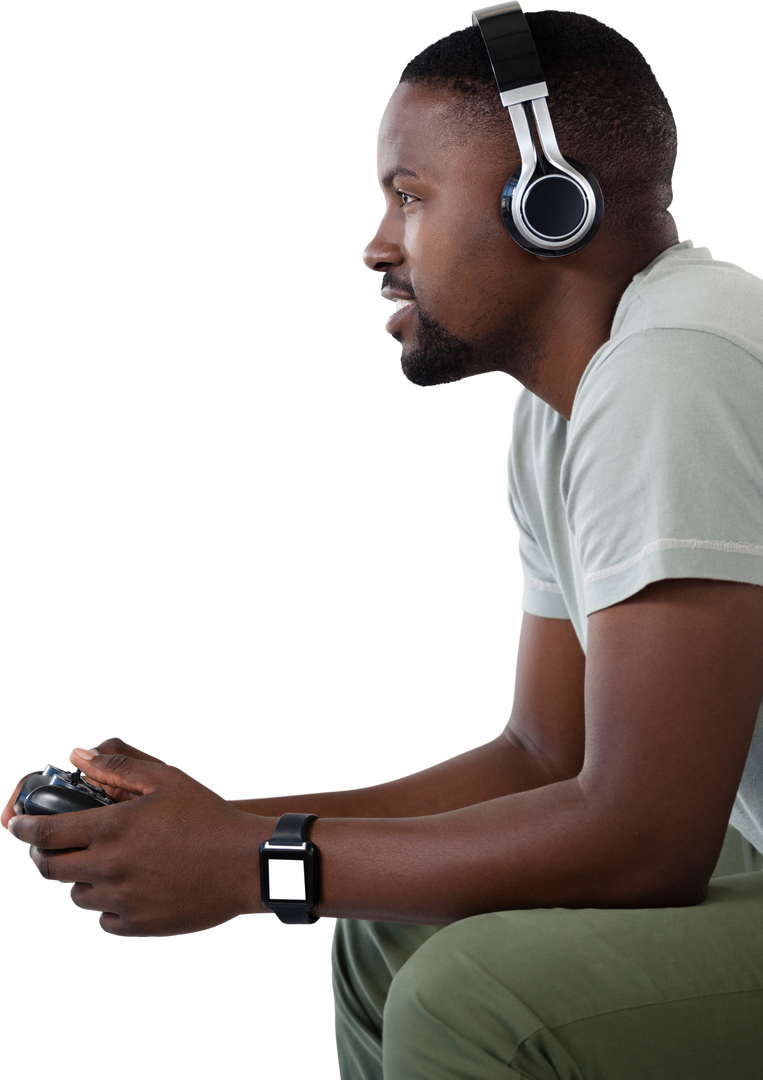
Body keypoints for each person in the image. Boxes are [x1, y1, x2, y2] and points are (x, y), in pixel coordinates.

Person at [3, 8, 763, 1077]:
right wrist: (218, 829)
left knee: (472, 996)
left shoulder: (674, 368)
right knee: (389, 929)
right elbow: (548, 757)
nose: (375, 243)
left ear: (551, 206)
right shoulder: (564, 409)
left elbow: (648, 841)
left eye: (410, 196)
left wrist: (254, 872)